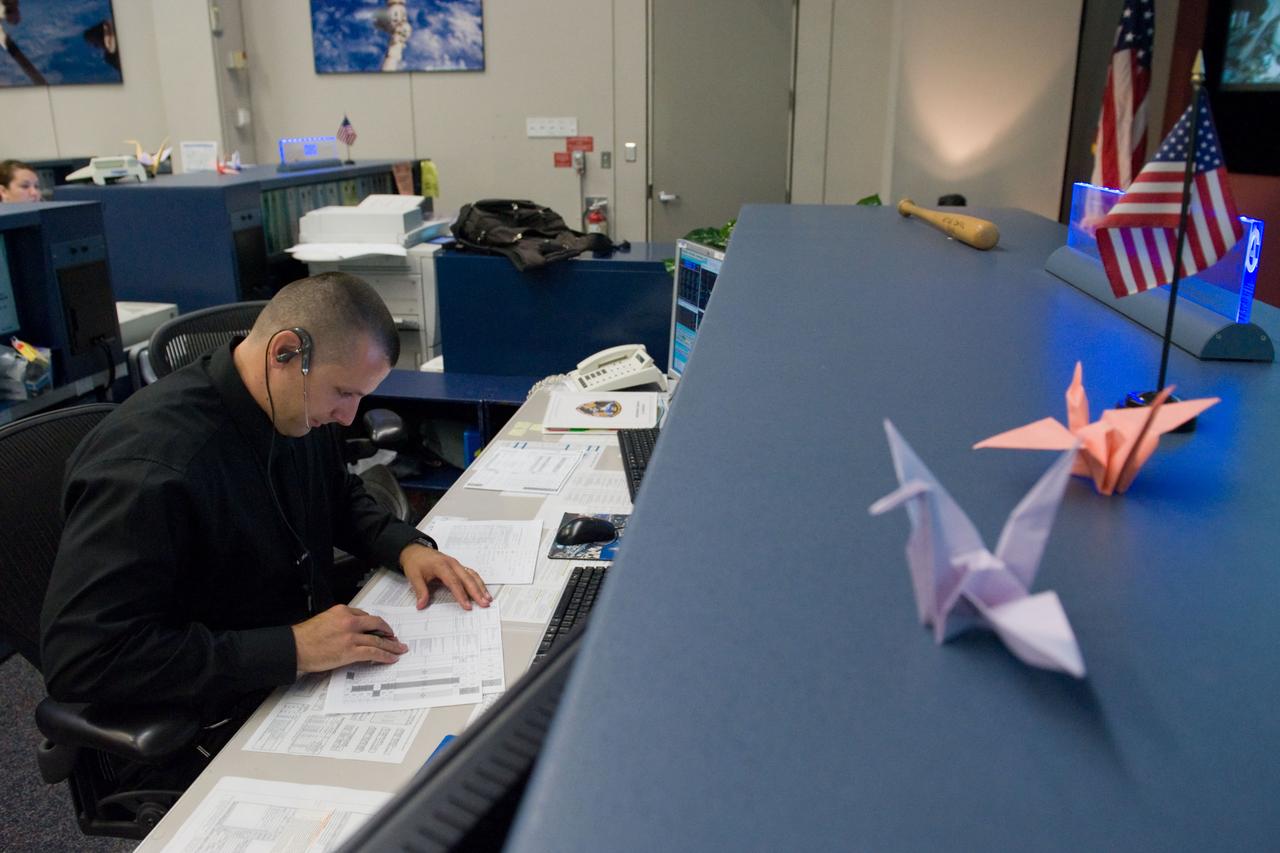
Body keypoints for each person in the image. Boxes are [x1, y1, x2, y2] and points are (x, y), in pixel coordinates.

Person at [40, 271, 491, 788]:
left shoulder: (293, 406)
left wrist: (404, 547)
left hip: (297, 669)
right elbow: (85, 659)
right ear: (284, 353)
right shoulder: (153, 469)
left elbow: (336, 496)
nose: (348, 418)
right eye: (343, 392)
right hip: (210, 711)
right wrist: (293, 648)